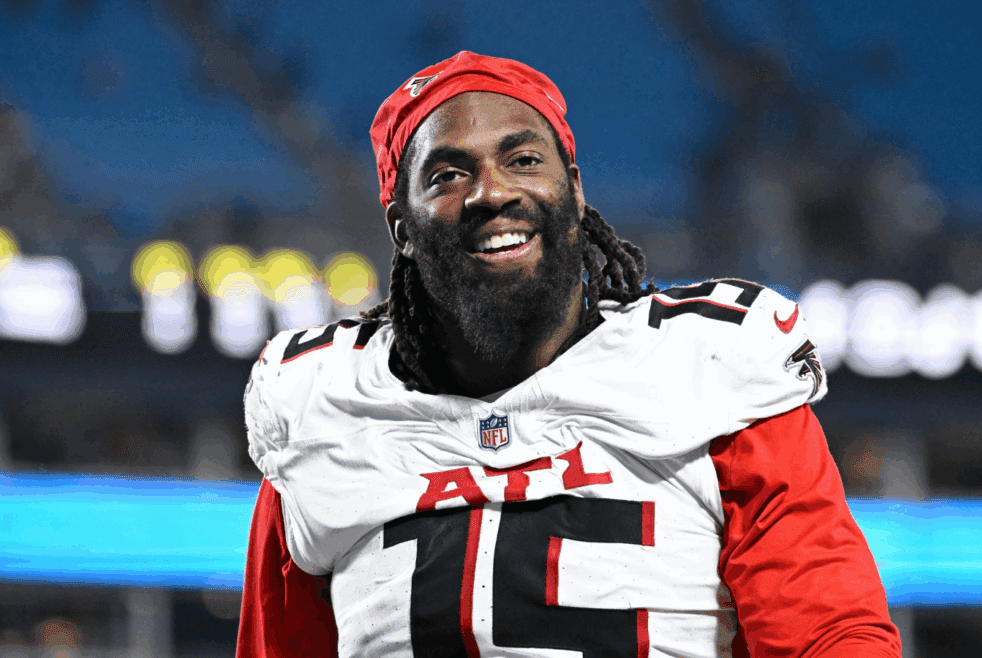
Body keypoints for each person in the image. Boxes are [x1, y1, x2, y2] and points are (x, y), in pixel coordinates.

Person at [237, 52, 901, 658]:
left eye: (523, 160)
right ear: (401, 228)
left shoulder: (713, 375)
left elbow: (832, 636)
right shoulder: (322, 412)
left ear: (575, 192)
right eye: (448, 173)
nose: (492, 192)